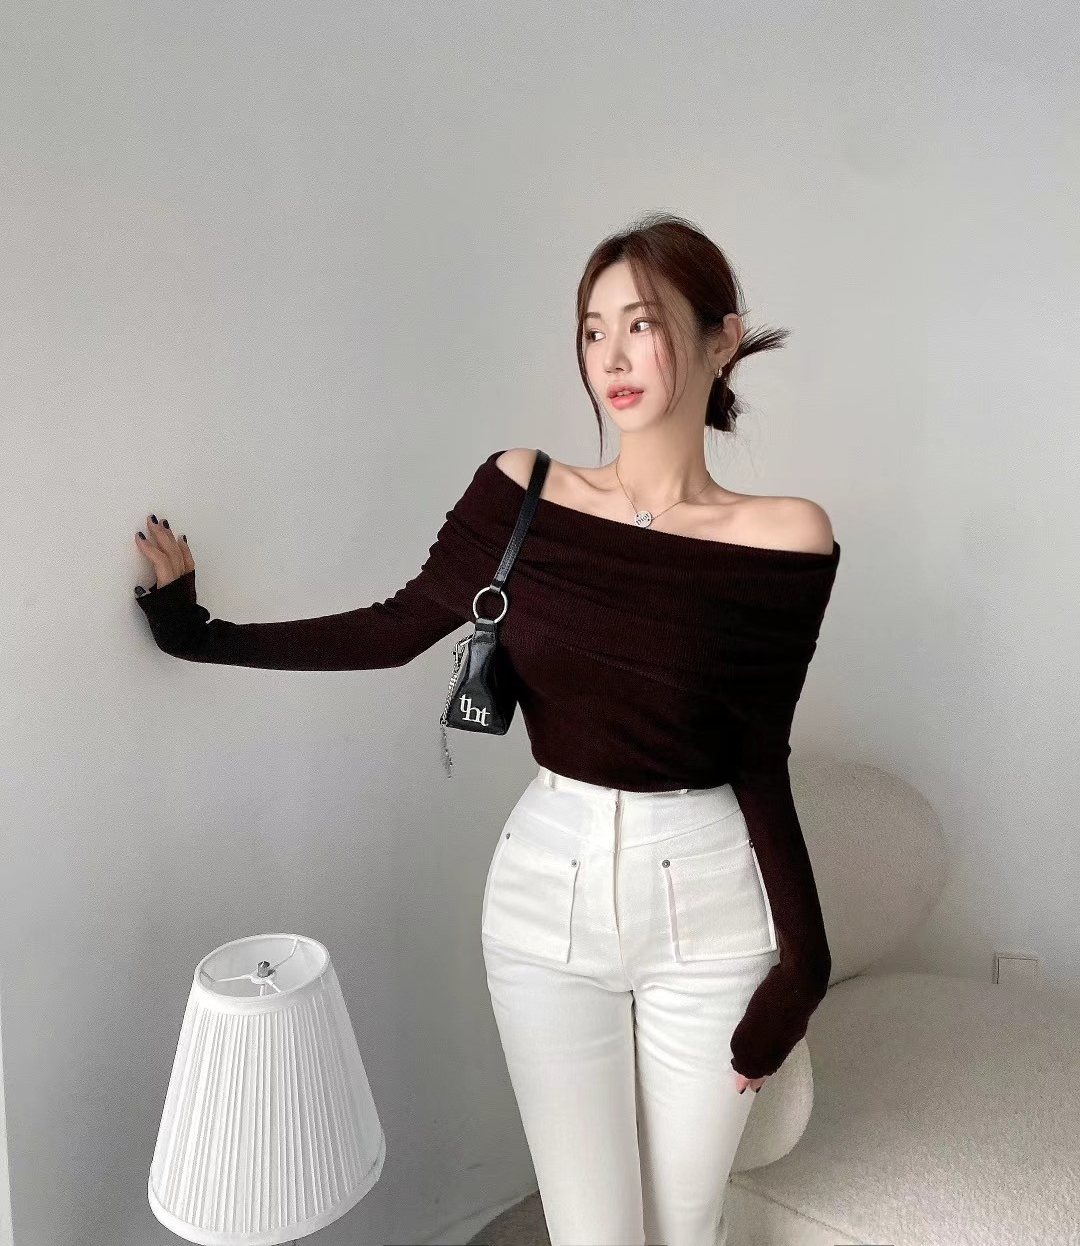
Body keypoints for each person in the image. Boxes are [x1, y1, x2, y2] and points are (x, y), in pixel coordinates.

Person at [134, 211, 841, 1246]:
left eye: (642, 324)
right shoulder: (521, 492)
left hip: (709, 909)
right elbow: (394, 631)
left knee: (684, 1226)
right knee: (593, 1232)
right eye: (592, 329)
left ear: (720, 339)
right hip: (544, 898)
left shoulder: (785, 537)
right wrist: (198, 634)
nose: (611, 357)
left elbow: (757, 752)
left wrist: (805, 966)